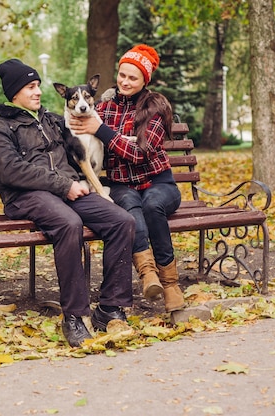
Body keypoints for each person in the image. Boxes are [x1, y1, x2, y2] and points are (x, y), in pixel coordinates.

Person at [0, 58, 136, 347]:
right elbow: (10, 171)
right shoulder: (1, 130)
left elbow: (87, 125)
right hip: (26, 196)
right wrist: (63, 185)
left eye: (39, 86)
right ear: (14, 92)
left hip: (69, 189)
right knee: (70, 224)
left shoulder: (53, 121)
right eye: (31, 87)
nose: (38, 92)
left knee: (122, 220)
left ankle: (110, 309)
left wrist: (107, 106)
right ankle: (75, 317)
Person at [69, 45, 186, 313]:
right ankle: (148, 276)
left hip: (159, 182)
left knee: (152, 205)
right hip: (122, 185)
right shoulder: (105, 106)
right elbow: (76, 120)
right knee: (130, 208)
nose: (124, 81)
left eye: (133, 78)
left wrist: (103, 131)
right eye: (122, 75)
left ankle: (170, 284)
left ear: (145, 80)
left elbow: (140, 153)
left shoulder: (156, 106)